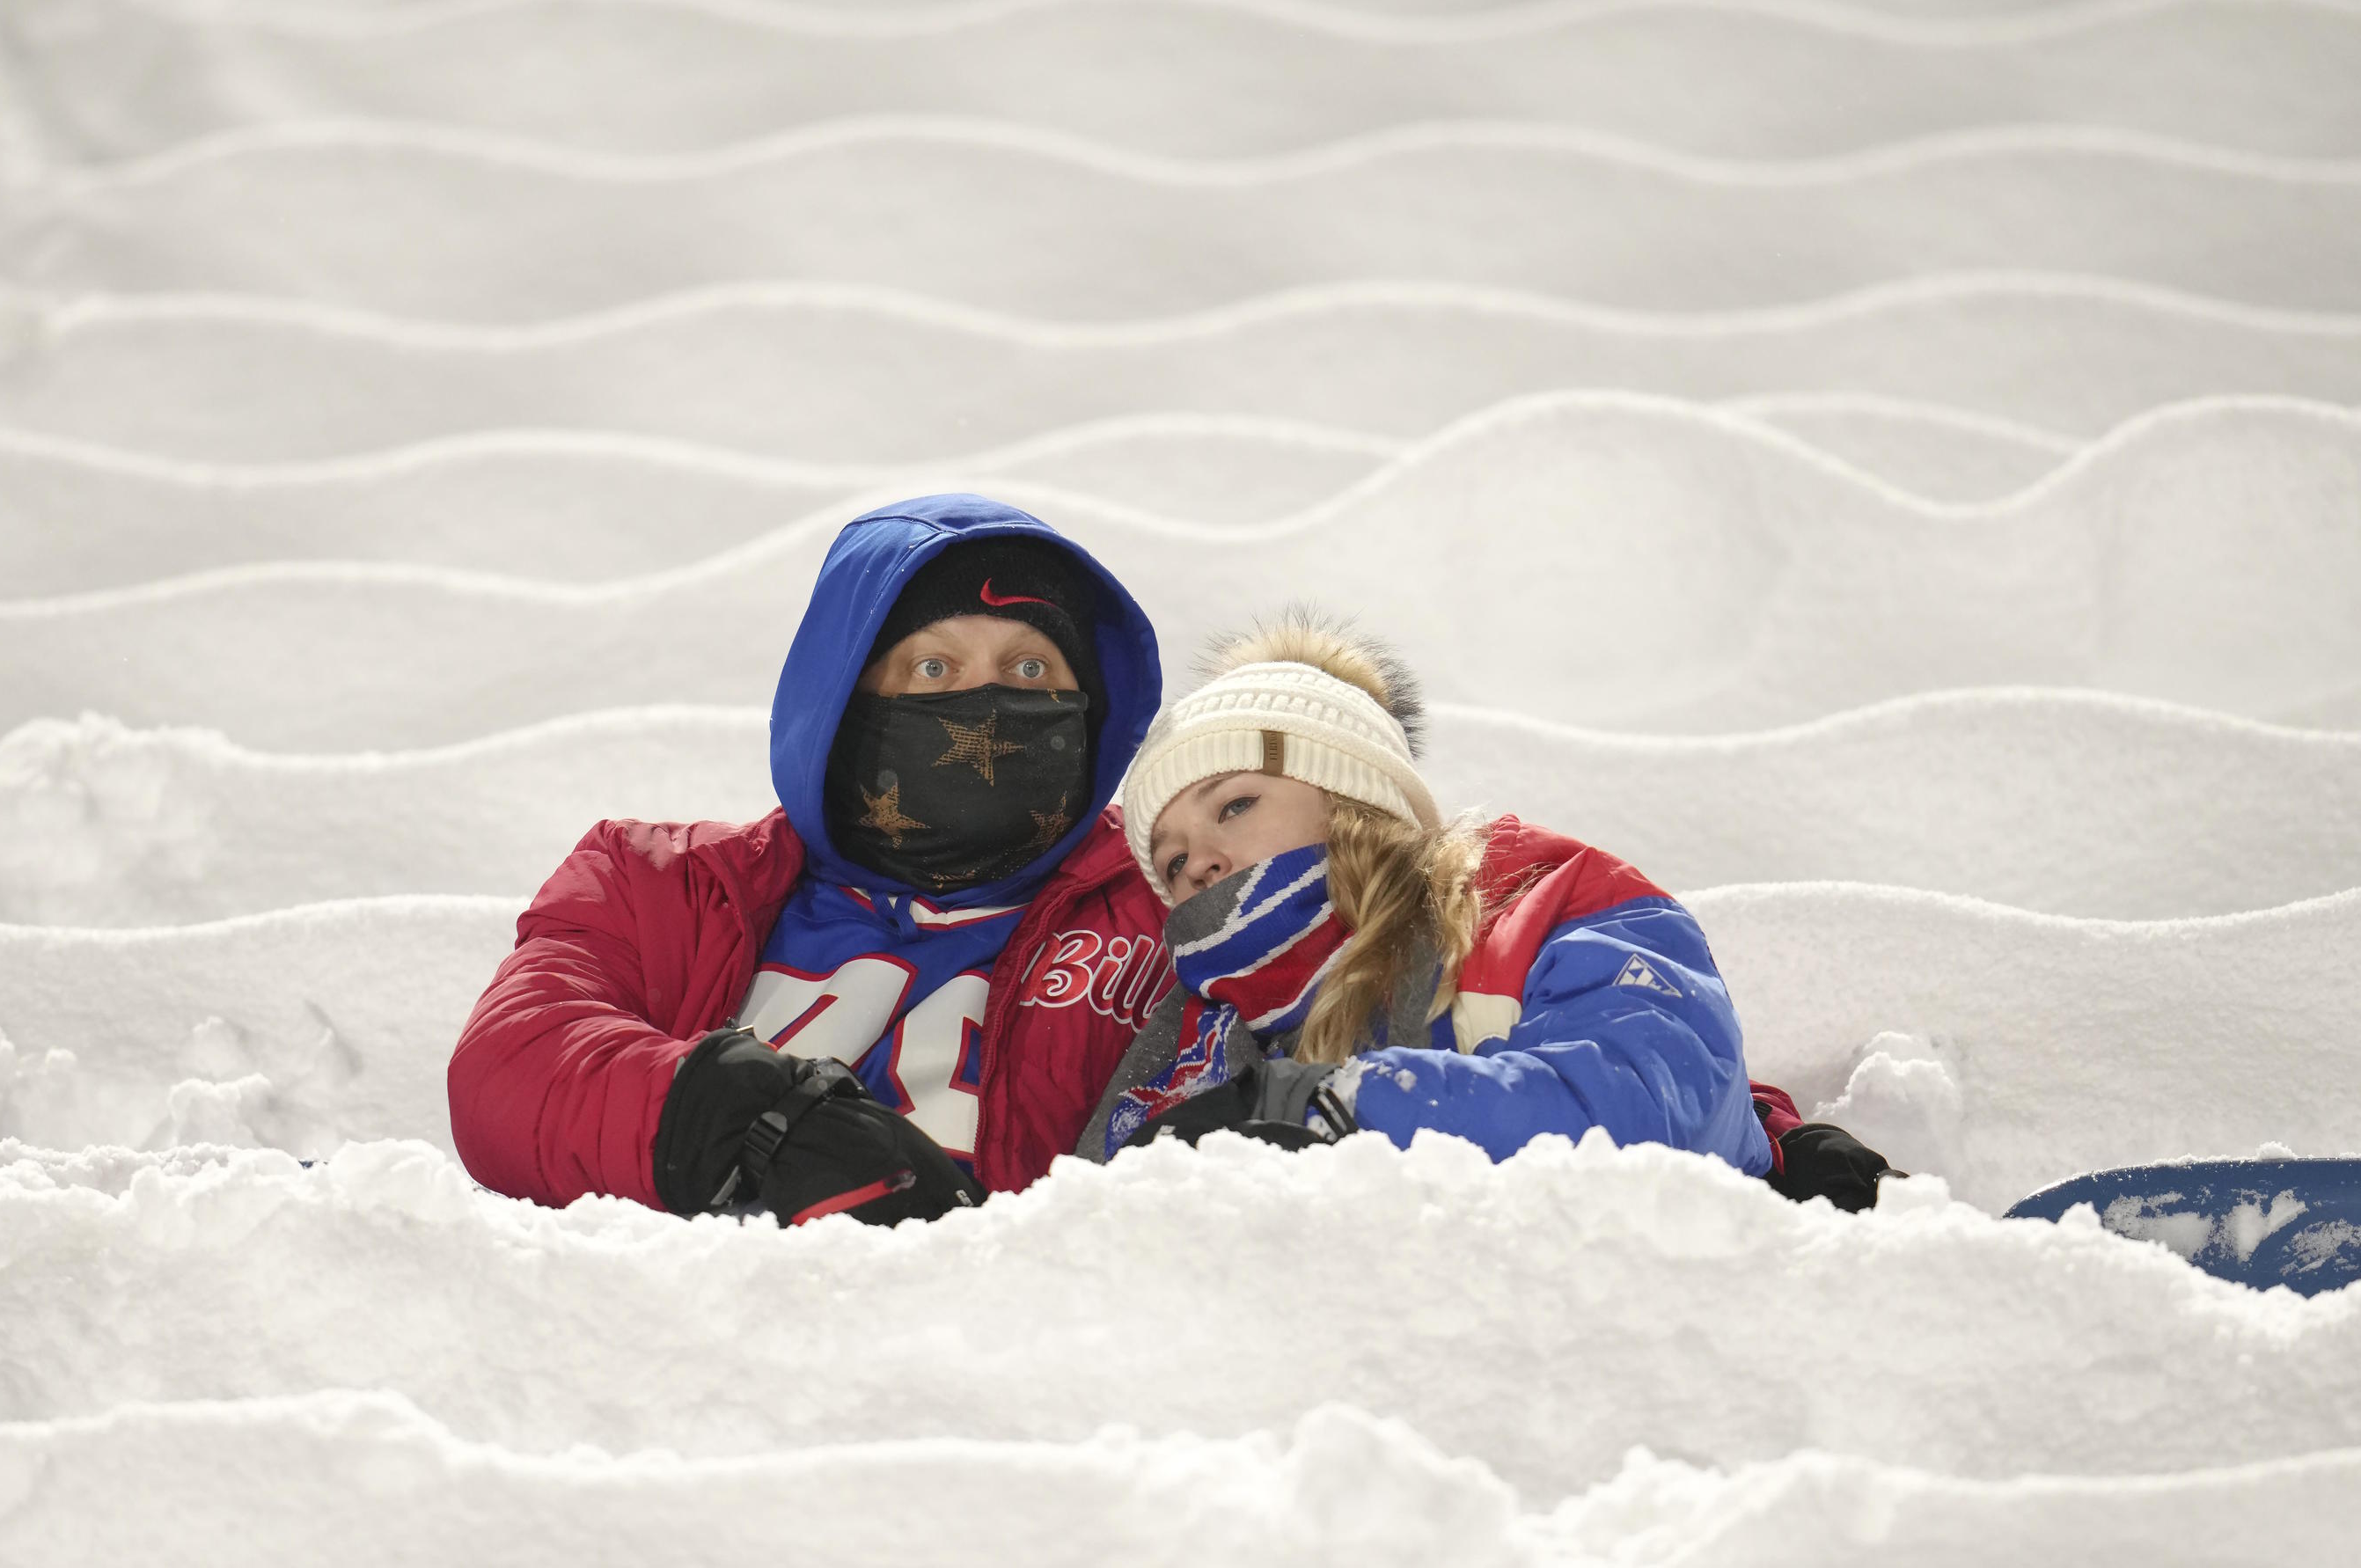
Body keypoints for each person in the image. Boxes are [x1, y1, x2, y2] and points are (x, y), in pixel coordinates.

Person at [447, 493, 1175, 1226]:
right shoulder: (661, 884)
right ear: (843, 699)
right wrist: (774, 1125)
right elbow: (510, 1070)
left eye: (1028, 667)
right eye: (932, 666)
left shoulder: (1165, 895)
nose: (984, 699)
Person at [1082, 614, 1899, 1209]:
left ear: (1351, 794)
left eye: (1234, 806)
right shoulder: (1195, 1041)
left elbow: (1652, 1109)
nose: (1203, 865)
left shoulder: (1548, 904)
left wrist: (1345, 1107)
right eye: (1173, 860)